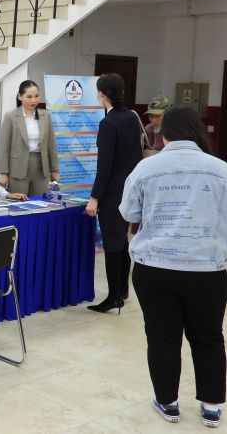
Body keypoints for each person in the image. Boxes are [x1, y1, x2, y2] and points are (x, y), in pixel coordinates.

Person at [119, 106, 227, 428]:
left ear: (164, 135)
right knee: (208, 336)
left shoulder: (146, 167)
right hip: (207, 270)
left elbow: (129, 213)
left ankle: (168, 402)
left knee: (162, 337)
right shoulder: (222, 170)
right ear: (196, 132)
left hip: (154, 268)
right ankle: (211, 407)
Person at [85, 73, 142, 313]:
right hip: (130, 189)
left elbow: (104, 165)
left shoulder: (108, 123)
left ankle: (113, 297)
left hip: (112, 193)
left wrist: (94, 197)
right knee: (122, 240)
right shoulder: (132, 117)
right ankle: (122, 290)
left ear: (102, 94)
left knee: (112, 243)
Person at [0, 80, 60, 196]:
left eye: (36, 96)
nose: (34, 100)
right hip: (17, 170)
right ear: (20, 96)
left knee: (41, 203)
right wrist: (3, 173)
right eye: (29, 97)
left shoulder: (46, 116)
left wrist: (55, 170)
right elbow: (4, 147)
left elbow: (52, 145)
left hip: (42, 169)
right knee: (18, 204)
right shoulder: (10, 117)